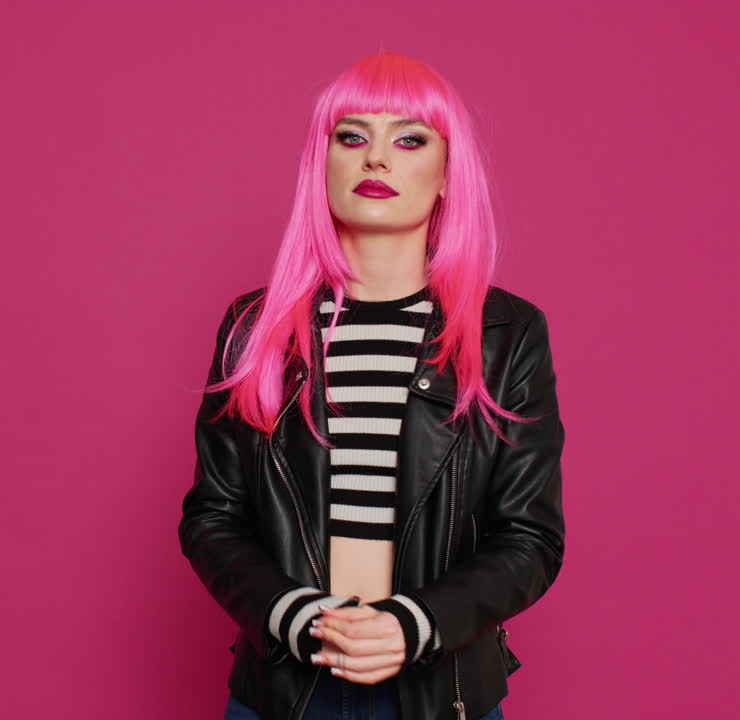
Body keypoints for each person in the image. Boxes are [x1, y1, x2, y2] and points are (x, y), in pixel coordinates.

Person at [178, 51, 566, 720]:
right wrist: (293, 614)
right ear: (321, 163)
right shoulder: (255, 327)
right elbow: (212, 516)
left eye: (409, 139)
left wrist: (415, 624)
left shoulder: (506, 332)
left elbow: (530, 536)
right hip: (286, 689)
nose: (375, 160)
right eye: (351, 136)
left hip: (442, 690)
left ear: (447, 174)